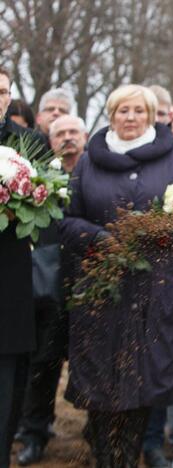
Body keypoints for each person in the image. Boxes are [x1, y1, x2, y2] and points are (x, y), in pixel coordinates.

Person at [60, 84, 173, 467]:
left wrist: (159, 231)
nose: (130, 117)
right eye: (122, 110)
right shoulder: (90, 161)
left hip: (157, 291)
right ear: (111, 115)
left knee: (143, 377)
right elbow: (67, 219)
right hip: (102, 290)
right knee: (102, 378)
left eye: (138, 110)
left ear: (151, 115)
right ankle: (108, 457)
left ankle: (129, 455)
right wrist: (98, 238)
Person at [14, 115, 88, 466]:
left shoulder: (95, 173)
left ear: (85, 136)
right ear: (50, 139)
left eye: (74, 132)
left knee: (92, 365)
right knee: (42, 365)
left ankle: (94, 433)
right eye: (61, 134)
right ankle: (34, 433)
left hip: (90, 285)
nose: (68, 139)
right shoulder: (38, 177)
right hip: (47, 286)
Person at [0, 66, 46, 468]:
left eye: (2, 92)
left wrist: (23, 204)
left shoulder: (29, 144)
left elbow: (52, 206)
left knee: (8, 376)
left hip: (10, 275)